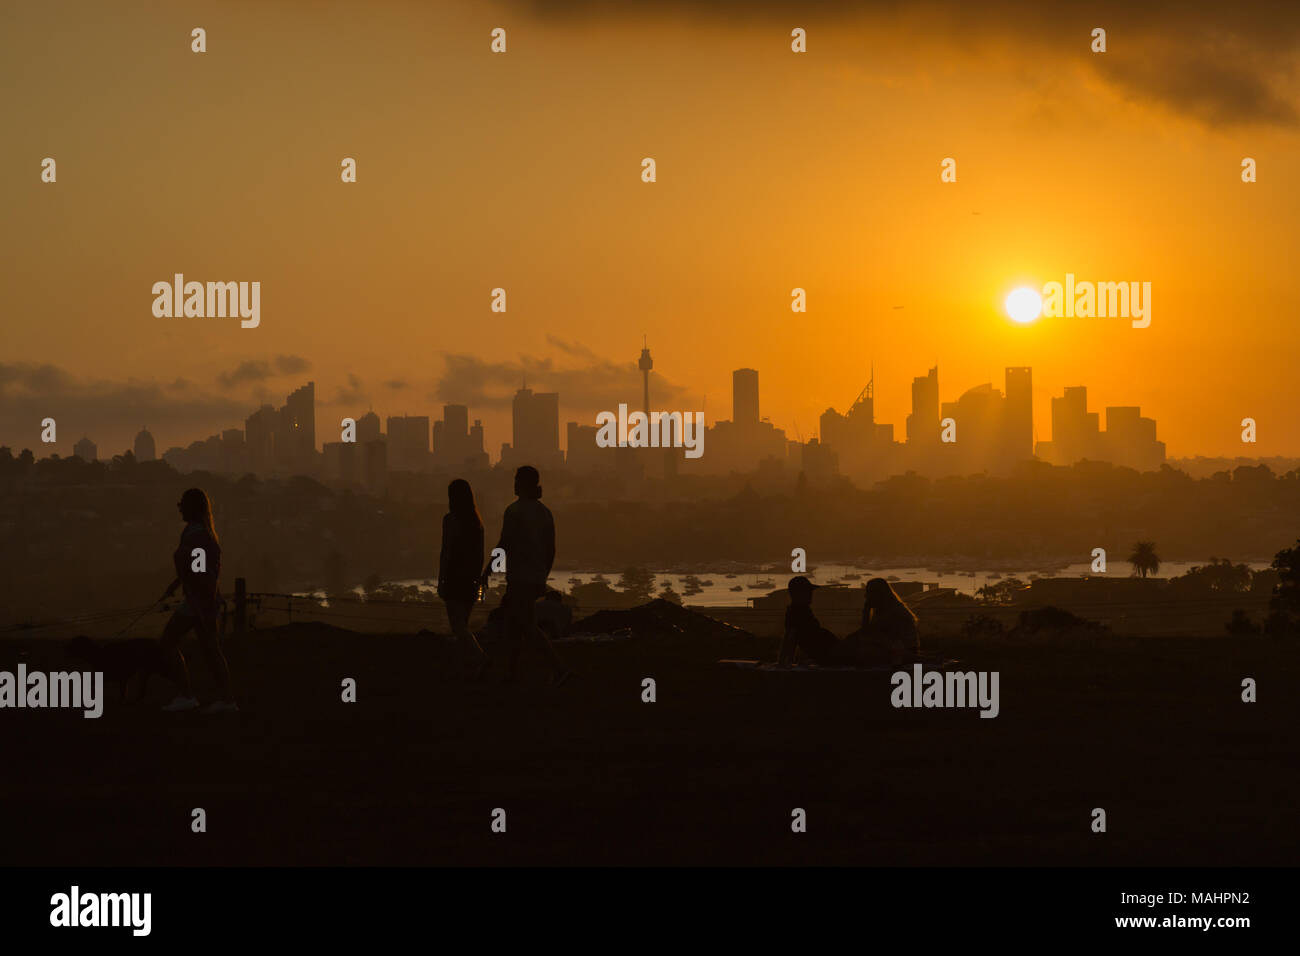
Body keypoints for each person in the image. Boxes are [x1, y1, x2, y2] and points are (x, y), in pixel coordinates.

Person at [481, 466, 571, 685]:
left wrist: (488, 569)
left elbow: (505, 544)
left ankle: (558, 669)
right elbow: (551, 550)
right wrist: (542, 575)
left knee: (527, 627)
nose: (513, 484)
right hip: (535, 577)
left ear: (523, 484)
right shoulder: (545, 513)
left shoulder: (514, 511)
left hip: (520, 577)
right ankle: (511, 674)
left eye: (516, 480)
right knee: (515, 625)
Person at [159, 488, 236, 713]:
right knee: (210, 650)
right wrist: (176, 585)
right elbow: (196, 568)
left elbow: (200, 572)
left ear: (191, 507)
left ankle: (189, 696)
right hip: (200, 602)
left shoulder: (197, 535)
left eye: (182, 504)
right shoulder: (196, 533)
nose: (179, 508)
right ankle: (224, 699)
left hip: (198, 603)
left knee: (169, 643)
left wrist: (201, 602)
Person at [438, 478, 489, 678]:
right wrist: (478, 579)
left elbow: (446, 552)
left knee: (457, 626)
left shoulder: (450, 520)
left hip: (453, 578)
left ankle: (480, 657)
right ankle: (466, 667)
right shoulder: (477, 523)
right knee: (462, 626)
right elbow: (479, 555)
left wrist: (441, 579)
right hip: (470, 579)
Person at [778, 575, 856, 666]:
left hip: (830, 650)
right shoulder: (797, 613)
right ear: (798, 593)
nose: (811, 594)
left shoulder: (802, 611)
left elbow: (791, 639)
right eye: (807, 591)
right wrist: (785, 662)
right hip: (830, 652)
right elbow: (790, 638)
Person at [856, 577, 921, 666]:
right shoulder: (882, 610)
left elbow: (868, 634)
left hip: (902, 654)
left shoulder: (894, 612)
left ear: (879, 594)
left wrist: (866, 612)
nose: (865, 596)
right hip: (893, 651)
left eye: (869, 592)